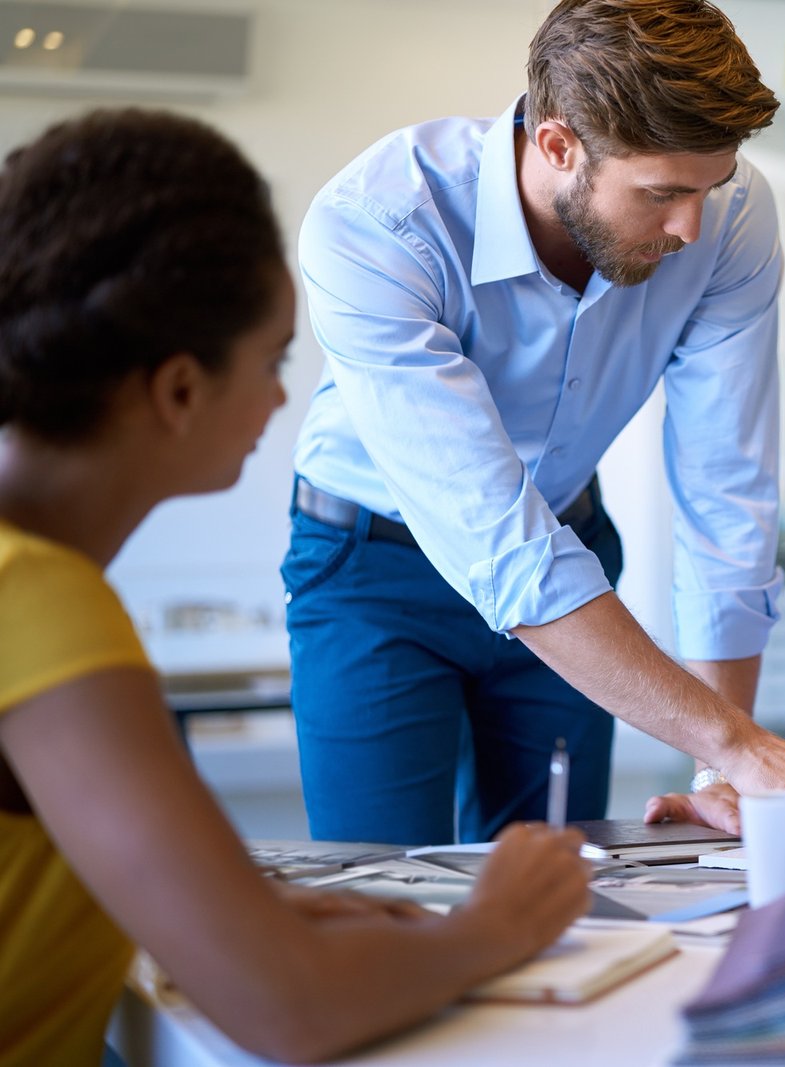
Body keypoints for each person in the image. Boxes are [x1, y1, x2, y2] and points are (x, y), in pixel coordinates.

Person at [0, 109, 594, 1067]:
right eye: (276, 359)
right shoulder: (40, 606)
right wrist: (497, 923)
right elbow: (291, 1008)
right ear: (180, 390)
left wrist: (257, 910)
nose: (286, 397)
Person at [286, 0, 785, 843]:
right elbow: (496, 539)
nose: (690, 226)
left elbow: (726, 489)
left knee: (561, 871)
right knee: (384, 877)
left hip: (571, 544)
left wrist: (720, 771)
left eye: (709, 186)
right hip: (373, 566)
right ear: (557, 145)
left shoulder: (729, 217)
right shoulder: (380, 222)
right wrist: (741, 743)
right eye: (662, 194)